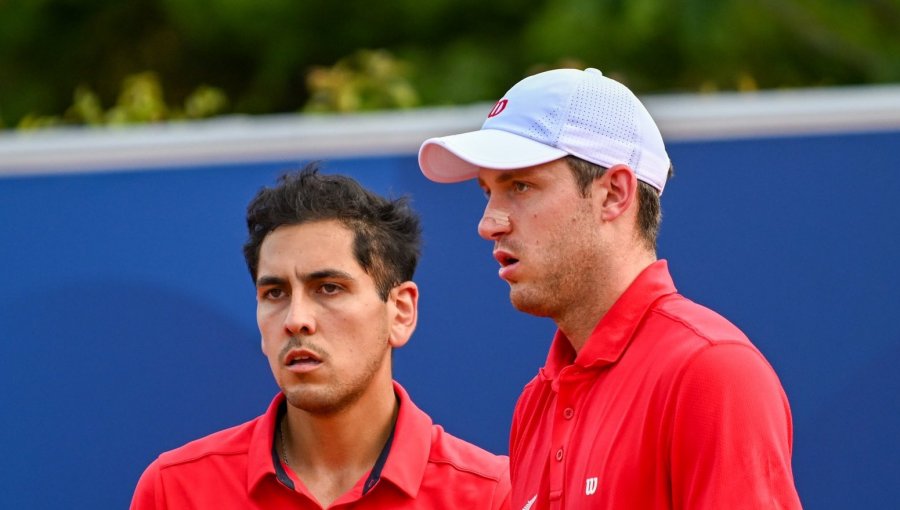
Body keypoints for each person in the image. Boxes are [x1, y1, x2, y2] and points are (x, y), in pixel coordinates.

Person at [418, 68, 802, 509]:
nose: (488, 224)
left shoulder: (712, 371)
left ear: (615, 193)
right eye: (487, 192)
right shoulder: (536, 402)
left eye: (520, 186)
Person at [130, 165, 511, 509]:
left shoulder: (493, 495)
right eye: (275, 293)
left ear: (400, 311)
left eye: (328, 288)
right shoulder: (174, 490)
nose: (296, 320)